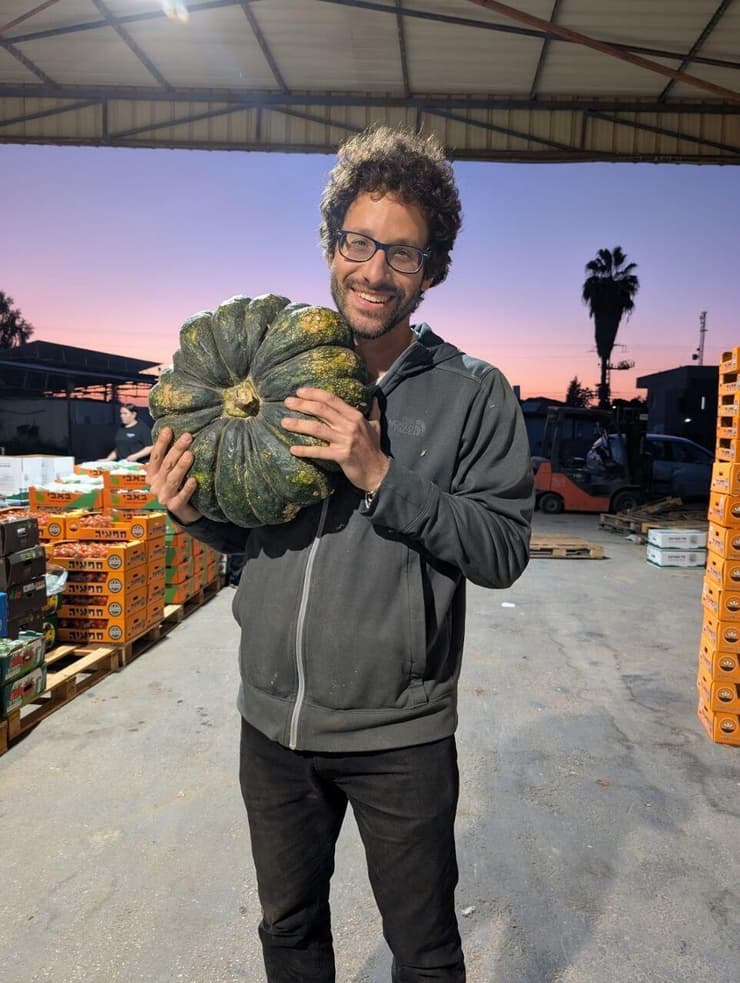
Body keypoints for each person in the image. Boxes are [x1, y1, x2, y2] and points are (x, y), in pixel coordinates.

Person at [147, 124, 534, 982]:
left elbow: (504, 548)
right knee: (288, 931)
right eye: (359, 242)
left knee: (424, 949)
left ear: (431, 271)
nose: (375, 270)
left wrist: (379, 472)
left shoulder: (476, 394)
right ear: (331, 245)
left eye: (403, 253)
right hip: (273, 722)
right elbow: (254, 539)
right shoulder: (279, 371)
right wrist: (190, 513)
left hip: (401, 732)